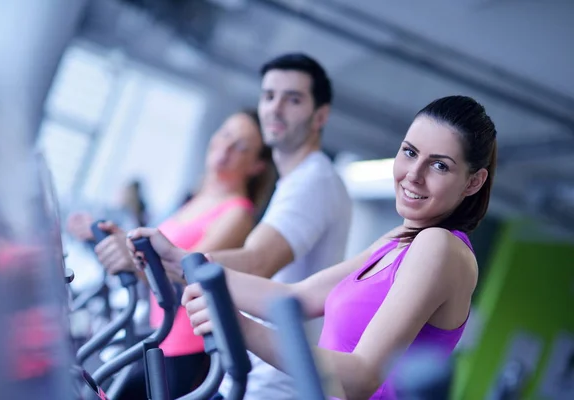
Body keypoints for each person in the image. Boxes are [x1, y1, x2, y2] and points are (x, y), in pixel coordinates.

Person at [128, 95, 498, 400]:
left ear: (473, 181)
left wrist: (236, 326)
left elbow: (361, 376)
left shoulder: (441, 248)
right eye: (409, 152)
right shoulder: (398, 242)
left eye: (439, 166)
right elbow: (295, 297)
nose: (413, 174)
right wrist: (179, 259)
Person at [130, 53, 352, 399]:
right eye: (269, 96)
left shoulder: (314, 180)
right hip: (259, 372)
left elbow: (259, 260)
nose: (275, 108)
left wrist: (175, 257)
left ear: (319, 116)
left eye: (293, 99)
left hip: (275, 383)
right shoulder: (296, 181)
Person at [93, 108, 277, 399]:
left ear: (256, 165)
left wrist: (137, 260)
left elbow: (189, 279)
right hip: (156, 334)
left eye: (241, 146)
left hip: (182, 348)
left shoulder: (237, 212)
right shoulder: (195, 199)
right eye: (226, 135)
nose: (226, 148)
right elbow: (154, 269)